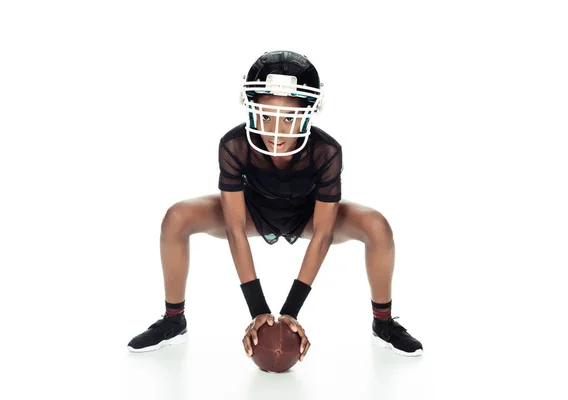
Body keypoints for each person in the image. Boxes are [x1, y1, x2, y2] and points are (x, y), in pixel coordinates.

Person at [127, 50, 423, 359]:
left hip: (307, 214)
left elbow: (322, 233)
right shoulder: (234, 145)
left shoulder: (326, 150)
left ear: (309, 112)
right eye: (267, 116)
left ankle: (383, 323)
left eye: (288, 117)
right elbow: (234, 227)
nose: (276, 130)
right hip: (252, 211)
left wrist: (290, 311)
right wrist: (259, 310)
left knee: (377, 225)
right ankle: (174, 321)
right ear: (252, 110)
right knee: (176, 217)